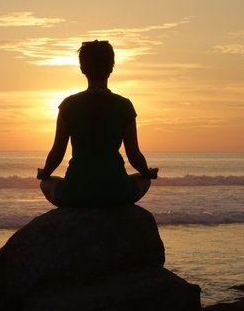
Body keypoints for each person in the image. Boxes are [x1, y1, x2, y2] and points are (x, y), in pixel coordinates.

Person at [37, 40, 158, 207]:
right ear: (111, 68)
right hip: (116, 192)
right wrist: (148, 173)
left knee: (47, 183)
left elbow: (57, 152)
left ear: (82, 68)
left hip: (76, 193)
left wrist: (45, 173)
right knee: (143, 180)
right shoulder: (124, 105)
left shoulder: (68, 105)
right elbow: (134, 155)